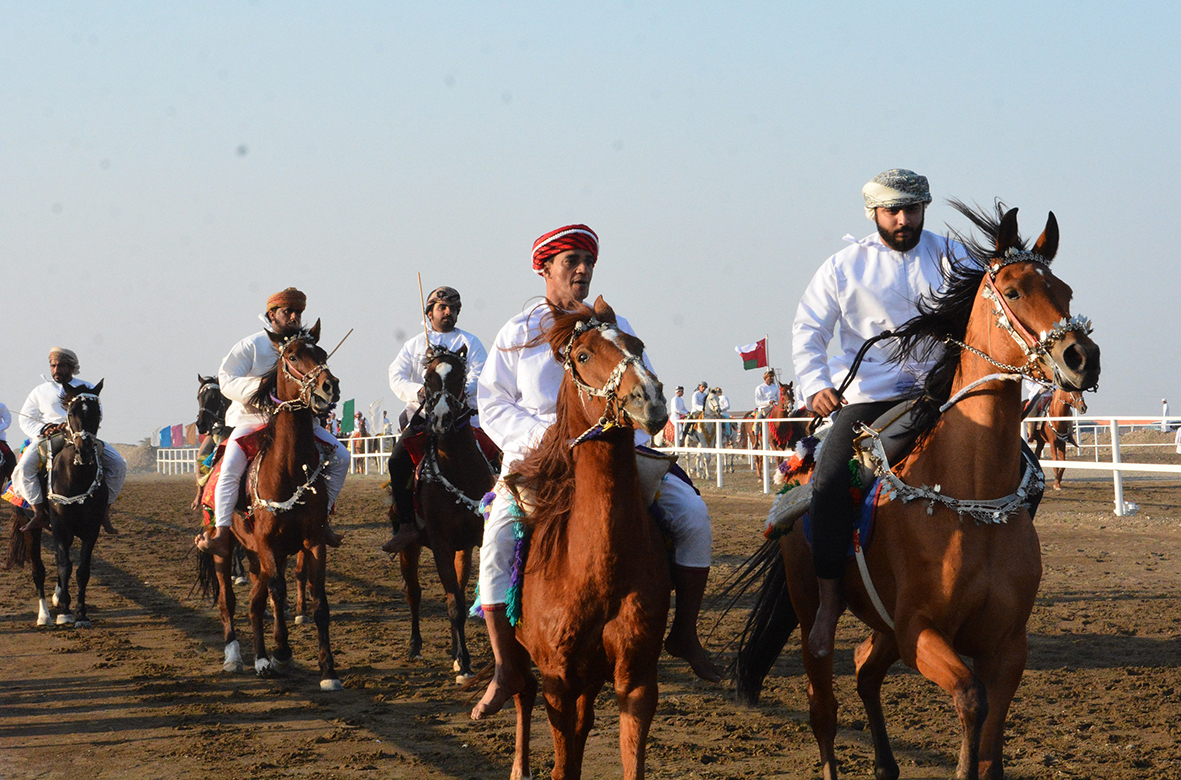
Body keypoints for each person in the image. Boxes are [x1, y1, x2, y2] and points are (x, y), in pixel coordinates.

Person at [471, 223, 721, 721]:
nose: (583, 270)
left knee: (692, 512)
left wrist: (633, 440)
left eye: (589, 262)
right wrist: (540, 439)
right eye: (572, 262)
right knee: (498, 535)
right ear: (545, 269)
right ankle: (505, 666)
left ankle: (685, 632)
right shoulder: (517, 332)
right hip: (539, 455)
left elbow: (642, 392)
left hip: (610, 450)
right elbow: (492, 402)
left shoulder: (614, 323)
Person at [792, 168, 972, 659]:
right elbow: (809, 329)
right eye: (892, 210)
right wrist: (816, 386)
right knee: (830, 481)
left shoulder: (956, 257)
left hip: (945, 394)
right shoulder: (843, 266)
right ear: (873, 213)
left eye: (911, 209)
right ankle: (829, 600)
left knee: (1024, 470)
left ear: (923, 210)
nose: (902, 219)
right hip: (872, 399)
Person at [194, 288, 351, 558]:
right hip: (253, 422)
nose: (293, 316)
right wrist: (264, 390)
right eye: (287, 311)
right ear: (272, 314)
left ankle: (320, 522)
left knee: (342, 457)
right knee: (229, 468)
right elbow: (227, 380)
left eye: (298, 312)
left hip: (300, 425)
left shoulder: (306, 347)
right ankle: (221, 532)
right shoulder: (251, 345)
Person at [383, 285, 489, 554]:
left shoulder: (471, 342)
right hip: (423, 418)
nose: (448, 312)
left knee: (497, 457)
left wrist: (454, 394)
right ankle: (406, 525)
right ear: (429, 312)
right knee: (396, 462)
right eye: (442, 307)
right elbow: (396, 375)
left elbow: (481, 375)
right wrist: (418, 392)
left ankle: (499, 517)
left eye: (453, 308)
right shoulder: (415, 344)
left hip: (464, 418)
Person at [15, 347, 126, 534]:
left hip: (81, 437)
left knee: (118, 465)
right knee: (23, 469)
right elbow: (25, 419)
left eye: (61, 366)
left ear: (72, 367)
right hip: (48, 438)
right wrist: (44, 429)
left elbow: (96, 415)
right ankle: (38, 513)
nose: (56, 370)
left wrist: (76, 429)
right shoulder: (39, 391)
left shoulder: (88, 387)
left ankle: (104, 512)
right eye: (53, 365)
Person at [0, 401, 13, 489]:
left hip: (0, 439)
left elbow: (8, 419)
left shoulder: (1, 406)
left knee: (11, 460)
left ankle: (13, 484)